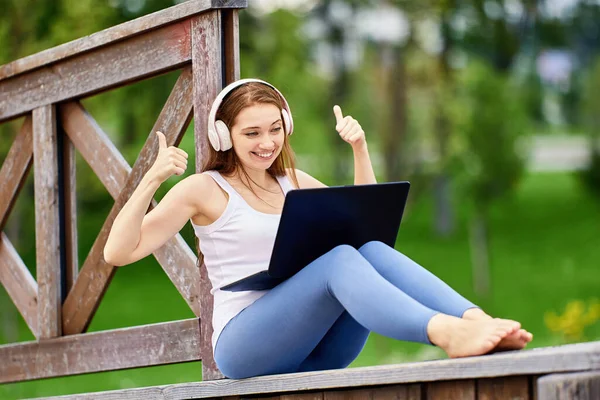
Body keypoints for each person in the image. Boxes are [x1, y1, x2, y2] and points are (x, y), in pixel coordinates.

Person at [104, 78, 533, 380]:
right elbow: (119, 252)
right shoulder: (203, 189)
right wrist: (152, 178)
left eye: (274, 129)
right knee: (340, 260)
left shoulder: (294, 180)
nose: (267, 143)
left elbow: (368, 228)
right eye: (251, 132)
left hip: (319, 347)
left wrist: (360, 150)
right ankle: (445, 333)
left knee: (368, 251)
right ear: (223, 135)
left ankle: (477, 320)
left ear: (286, 127)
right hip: (245, 346)